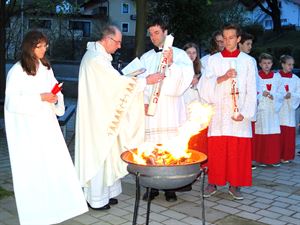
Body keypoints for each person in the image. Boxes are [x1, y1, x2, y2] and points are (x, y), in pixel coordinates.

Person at [75, 24, 164, 210]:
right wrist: (146, 81)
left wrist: (130, 77)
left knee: (107, 152)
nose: (119, 47)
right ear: (107, 39)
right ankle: (96, 198)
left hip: (102, 114)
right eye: (117, 42)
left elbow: (112, 83)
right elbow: (114, 84)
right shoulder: (95, 60)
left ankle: (105, 194)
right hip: (97, 118)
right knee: (99, 154)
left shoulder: (99, 57)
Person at [4, 30, 88, 225]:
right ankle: (37, 213)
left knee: (52, 165)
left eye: (45, 46)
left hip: (47, 125)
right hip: (29, 129)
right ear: (29, 47)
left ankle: (57, 208)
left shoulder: (45, 67)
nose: (43, 50)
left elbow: (54, 91)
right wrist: (40, 97)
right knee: (34, 169)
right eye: (39, 46)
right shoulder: (17, 71)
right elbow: (12, 102)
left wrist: (55, 95)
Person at [140, 17, 194, 202]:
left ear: (165, 32)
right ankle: (152, 186)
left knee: (170, 147)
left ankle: (171, 187)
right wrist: (144, 101)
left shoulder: (179, 55)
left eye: (156, 33)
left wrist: (171, 64)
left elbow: (185, 79)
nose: (153, 37)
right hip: (153, 112)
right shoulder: (146, 57)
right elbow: (140, 83)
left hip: (171, 109)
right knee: (152, 148)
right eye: (150, 34)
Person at [201, 24, 257, 200]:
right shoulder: (213, 60)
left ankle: (235, 184)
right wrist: (224, 77)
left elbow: (252, 89)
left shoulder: (248, 61)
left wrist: (246, 112)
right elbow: (204, 85)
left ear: (239, 39)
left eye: (231, 38)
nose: (227, 41)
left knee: (237, 150)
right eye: (224, 38)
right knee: (217, 148)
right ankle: (214, 182)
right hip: (219, 112)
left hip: (239, 113)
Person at [254, 53, 283, 167]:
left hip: (272, 109)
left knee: (273, 133)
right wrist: (261, 94)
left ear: (272, 64)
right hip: (262, 110)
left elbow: (281, 92)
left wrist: (274, 95)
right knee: (261, 133)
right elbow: (253, 90)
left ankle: (273, 159)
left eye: (269, 63)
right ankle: (261, 159)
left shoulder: (276, 77)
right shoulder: (257, 76)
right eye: (264, 63)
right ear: (260, 64)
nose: (266, 65)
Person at [238, 31, 258, 170]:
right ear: (239, 43)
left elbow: (256, 82)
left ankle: (246, 161)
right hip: (233, 104)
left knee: (245, 136)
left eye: (251, 44)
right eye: (247, 44)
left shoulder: (251, 61)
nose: (250, 46)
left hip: (246, 104)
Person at [277, 55, 300, 163]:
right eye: (289, 64)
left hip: (289, 109)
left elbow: (299, 94)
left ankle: (286, 156)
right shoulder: (276, 77)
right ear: (282, 64)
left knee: (288, 132)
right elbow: (273, 90)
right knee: (278, 132)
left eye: (292, 65)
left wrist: (292, 95)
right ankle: (277, 155)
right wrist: (281, 96)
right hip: (278, 110)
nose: (291, 66)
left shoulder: (296, 79)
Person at [198, 30, 224, 104]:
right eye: (218, 41)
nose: (220, 44)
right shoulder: (204, 60)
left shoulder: (230, 59)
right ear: (213, 42)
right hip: (209, 100)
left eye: (222, 41)